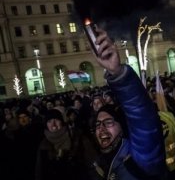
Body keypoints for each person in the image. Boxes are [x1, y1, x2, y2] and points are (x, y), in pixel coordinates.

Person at [89, 27, 166, 179]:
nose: (102, 129)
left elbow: (141, 117)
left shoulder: (140, 157)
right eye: (98, 125)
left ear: (122, 126)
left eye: (108, 122)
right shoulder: (96, 165)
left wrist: (118, 73)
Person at [35, 108, 97, 180]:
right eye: (49, 121)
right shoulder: (43, 144)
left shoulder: (77, 137)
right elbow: (39, 171)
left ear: (62, 121)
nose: (53, 124)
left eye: (56, 120)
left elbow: (93, 162)